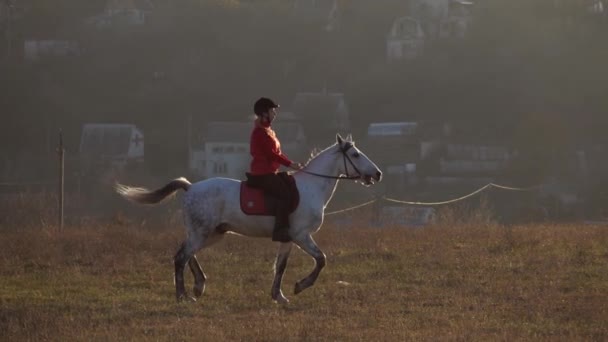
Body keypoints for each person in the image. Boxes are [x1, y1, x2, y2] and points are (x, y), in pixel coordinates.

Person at [246, 97, 303, 242]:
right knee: (285, 194)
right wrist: (290, 164)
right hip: (262, 173)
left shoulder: (267, 131)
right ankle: (279, 231)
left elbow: (277, 153)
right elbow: (271, 154)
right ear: (264, 113)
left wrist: (291, 164)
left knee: (289, 183)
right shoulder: (261, 133)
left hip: (270, 172)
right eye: (272, 111)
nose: (275, 114)